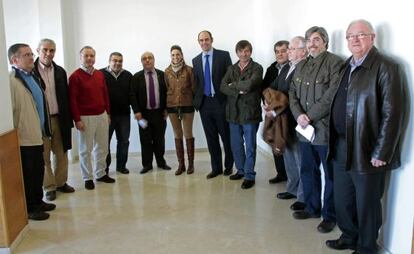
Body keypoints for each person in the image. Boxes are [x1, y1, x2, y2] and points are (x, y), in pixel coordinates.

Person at [326, 19, 404, 254]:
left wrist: (382, 151)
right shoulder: (346, 67)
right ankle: (349, 236)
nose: (355, 40)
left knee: (367, 204)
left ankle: (367, 247)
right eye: (351, 36)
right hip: (340, 145)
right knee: (343, 199)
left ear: (372, 37)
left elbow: (393, 113)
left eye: (361, 35)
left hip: (367, 149)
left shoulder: (386, 67)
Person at [289, 26, 343, 233]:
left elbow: (332, 95)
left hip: (324, 130)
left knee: (329, 175)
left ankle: (329, 216)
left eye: (316, 40)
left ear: (325, 42)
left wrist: (310, 116)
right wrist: (299, 116)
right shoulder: (302, 66)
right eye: (309, 40)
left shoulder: (334, 63)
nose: (312, 44)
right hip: (304, 130)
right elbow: (293, 93)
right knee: (308, 170)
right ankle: (312, 208)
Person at [8, 43, 56, 220]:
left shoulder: (31, 76)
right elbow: (11, 111)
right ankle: (30, 208)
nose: (31, 57)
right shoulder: (11, 81)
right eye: (27, 55)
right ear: (15, 59)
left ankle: (38, 201)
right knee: (29, 174)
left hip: (37, 134)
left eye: (31, 54)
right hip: (24, 138)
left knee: (38, 171)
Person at [264, 36, 308, 211]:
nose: (288, 52)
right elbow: (271, 88)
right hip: (283, 122)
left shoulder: (304, 69)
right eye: (288, 49)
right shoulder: (286, 68)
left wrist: (276, 106)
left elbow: (293, 97)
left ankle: (303, 197)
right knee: (289, 157)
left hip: (296, 120)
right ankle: (292, 189)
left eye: (291, 49)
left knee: (300, 161)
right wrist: (271, 102)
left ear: (303, 51)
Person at [33, 38, 74, 201]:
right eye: (45, 50)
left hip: (59, 118)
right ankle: (49, 187)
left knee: (61, 153)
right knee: (44, 156)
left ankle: (60, 183)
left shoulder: (60, 71)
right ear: (38, 51)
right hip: (41, 121)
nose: (49, 53)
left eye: (52, 50)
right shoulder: (32, 71)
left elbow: (66, 97)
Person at [69, 46, 115, 190]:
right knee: (85, 150)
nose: (89, 58)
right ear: (80, 57)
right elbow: (72, 100)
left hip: (101, 115)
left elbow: (105, 94)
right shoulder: (75, 76)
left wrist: (107, 112)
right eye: (86, 55)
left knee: (103, 147)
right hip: (85, 117)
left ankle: (100, 173)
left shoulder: (100, 74)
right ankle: (87, 177)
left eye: (92, 56)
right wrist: (77, 119)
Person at [220, 40, 263, 189]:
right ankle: (241, 170)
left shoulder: (257, 68)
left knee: (250, 146)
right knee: (236, 145)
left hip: (250, 113)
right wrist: (239, 89)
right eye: (241, 51)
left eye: (246, 51)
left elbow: (251, 84)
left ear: (250, 52)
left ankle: (250, 175)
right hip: (233, 113)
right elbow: (223, 86)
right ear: (236, 52)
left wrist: (233, 85)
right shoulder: (231, 68)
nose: (244, 54)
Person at [192, 30, 234, 179]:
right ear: (199, 42)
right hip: (205, 103)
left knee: (226, 136)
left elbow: (230, 78)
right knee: (211, 139)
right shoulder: (195, 60)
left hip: (220, 102)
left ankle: (228, 166)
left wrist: (229, 100)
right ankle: (215, 168)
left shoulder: (223, 55)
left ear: (212, 40)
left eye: (206, 39)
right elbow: (197, 83)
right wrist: (197, 102)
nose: (204, 42)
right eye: (201, 40)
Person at [130, 52, 171, 174]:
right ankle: (147, 165)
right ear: (141, 61)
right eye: (144, 59)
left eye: (150, 58)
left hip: (159, 113)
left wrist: (166, 109)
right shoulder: (136, 77)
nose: (147, 60)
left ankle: (161, 162)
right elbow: (132, 95)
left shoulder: (162, 75)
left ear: (154, 60)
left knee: (159, 139)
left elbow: (168, 92)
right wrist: (136, 111)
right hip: (144, 114)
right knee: (145, 140)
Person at [164, 45, 195, 175]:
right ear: (170, 56)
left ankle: (191, 164)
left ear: (181, 55)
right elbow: (166, 89)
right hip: (172, 106)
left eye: (178, 54)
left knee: (188, 133)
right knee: (177, 134)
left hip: (187, 105)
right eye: (173, 55)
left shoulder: (189, 70)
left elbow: (194, 88)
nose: (175, 57)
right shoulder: (167, 71)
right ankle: (181, 164)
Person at [262, 40, 289, 184]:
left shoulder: (293, 68)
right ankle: (281, 173)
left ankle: (290, 176)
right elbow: (265, 87)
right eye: (277, 52)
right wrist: (266, 102)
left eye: (283, 51)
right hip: (272, 111)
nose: (280, 54)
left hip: (285, 111)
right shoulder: (272, 69)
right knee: (274, 140)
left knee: (286, 143)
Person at [101, 52, 132, 175]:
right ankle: (105, 168)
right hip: (107, 116)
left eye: (120, 61)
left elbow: (131, 95)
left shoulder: (128, 75)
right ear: (109, 61)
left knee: (124, 141)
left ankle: (121, 166)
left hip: (124, 115)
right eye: (115, 60)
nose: (117, 63)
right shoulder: (101, 74)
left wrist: (136, 111)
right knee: (105, 142)